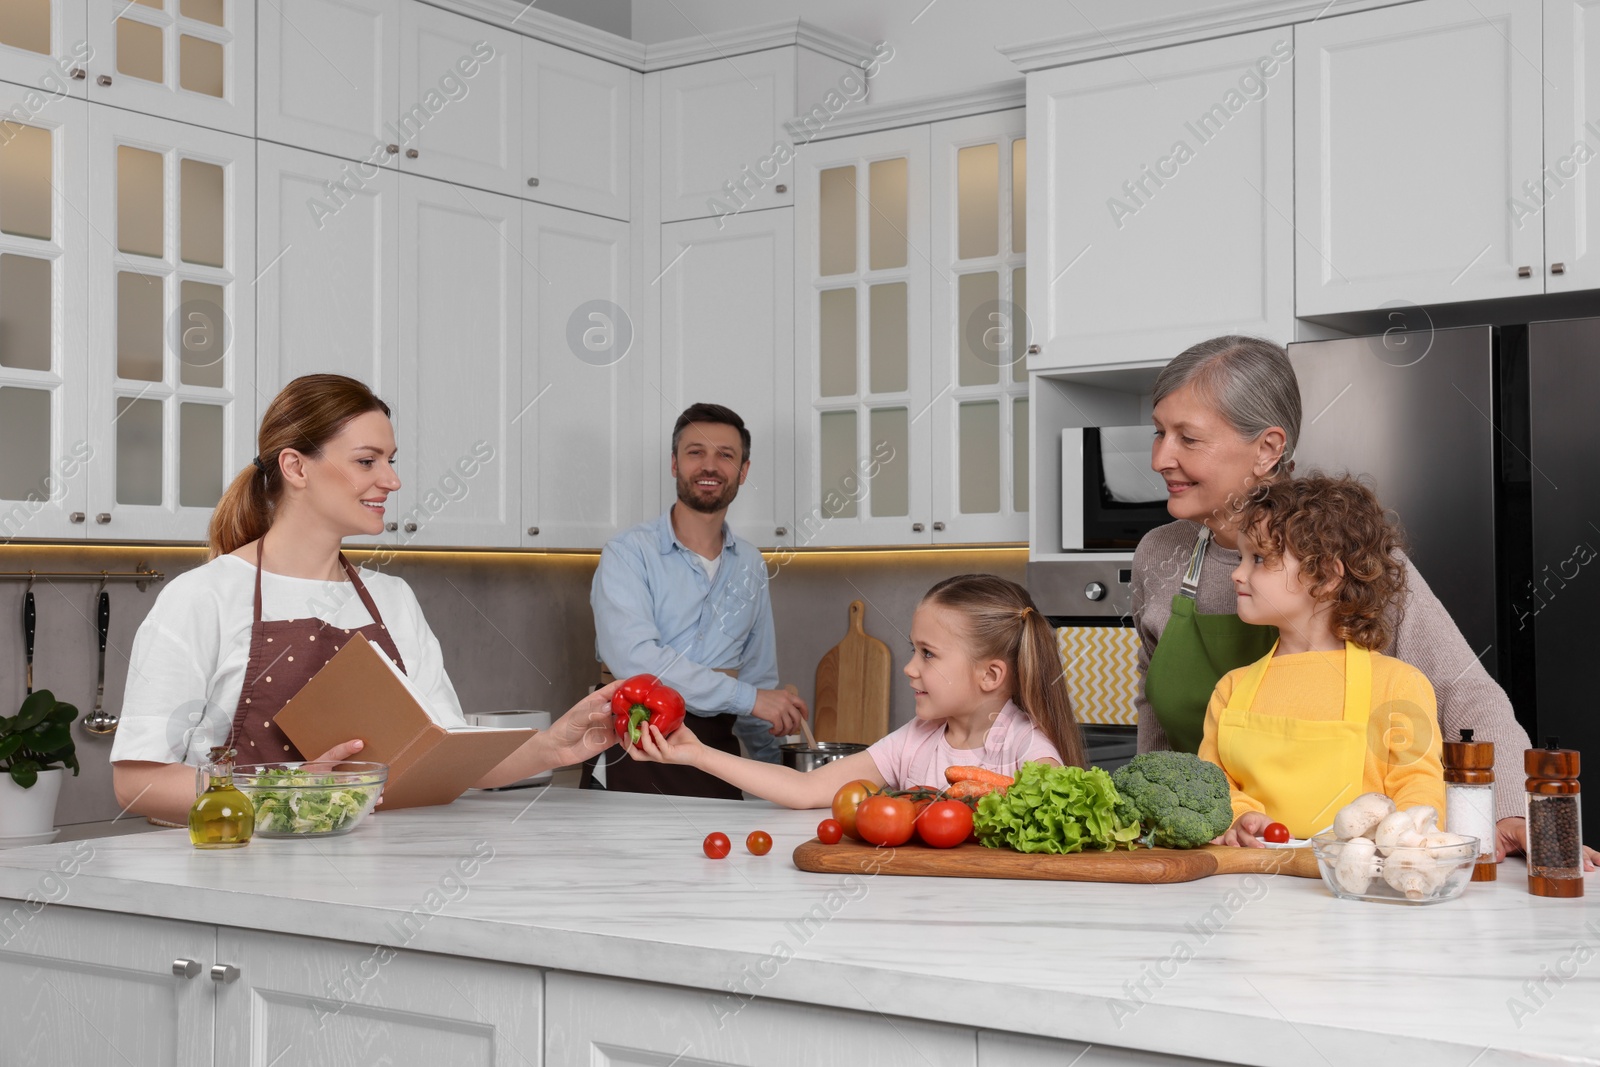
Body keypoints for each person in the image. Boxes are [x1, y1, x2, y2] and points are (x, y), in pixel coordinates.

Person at [1131, 335, 1597, 869]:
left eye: (1187, 438)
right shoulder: (1159, 554)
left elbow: (1463, 691)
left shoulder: (1339, 556)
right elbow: (1156, 715)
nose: (1159, 458)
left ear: (1267, 448)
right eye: (1159, 432)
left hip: (1348, 857)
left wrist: (1514, 811)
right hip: (1218, 852)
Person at [112, 374, 619, 824]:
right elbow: (138, 784)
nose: (391, 480)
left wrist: (554, 745)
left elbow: (443, 754)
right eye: (366, 461)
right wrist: (280, 793)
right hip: (235, 869)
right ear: (296, 467)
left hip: (373, 873)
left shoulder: (392, 598)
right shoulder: (202, 598)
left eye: (391, 461)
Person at [625, 575, 1083, 807]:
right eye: (913, 650)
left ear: (990, 675)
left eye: (928, 654)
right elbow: (806, 790)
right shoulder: (915, 741)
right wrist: (698, 753)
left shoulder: (1027, 748)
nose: (908, 668)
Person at [1197, 476, 1445, 846]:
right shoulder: (1231, 689)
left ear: (1327, 576)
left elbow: (1417, 786)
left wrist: (1407, 846)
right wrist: (1242, 816)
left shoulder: (1398, 685)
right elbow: (1215, 782)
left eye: (1260, 559)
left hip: (1358, 883)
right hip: (1254, 877)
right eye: (1241, 558)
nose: (1237, 573)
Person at [586, 403, 809, 799]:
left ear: (743, 471)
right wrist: (752, 699)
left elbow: (758, 678)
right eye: (695, 453)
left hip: (717, 758)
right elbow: (636, 661)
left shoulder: (752, 565)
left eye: (725, 455)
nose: (710, 466)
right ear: (674, 464)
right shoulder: (627, 554)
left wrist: (782, 774)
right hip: (632, 748)